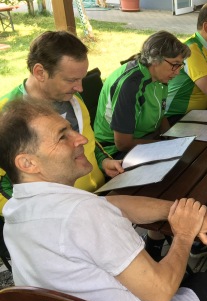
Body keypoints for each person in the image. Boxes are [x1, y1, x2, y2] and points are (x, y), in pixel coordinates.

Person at [0, 98, 207, 301]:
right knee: (206, 284)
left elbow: (112, 203)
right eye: (62, 136)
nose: (81, 139)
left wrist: (181, 212)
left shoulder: (16, 211)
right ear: (28, 163)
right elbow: (160, 292)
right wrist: (184, 233)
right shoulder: (82, 213)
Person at [0, 30, 123, 216]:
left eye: (81, 78)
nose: (80, 87)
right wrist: (43, 215)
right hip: (58, 217)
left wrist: (102, 161)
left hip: (97, 197)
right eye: (71, 80)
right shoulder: (6, 116)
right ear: (40, 72)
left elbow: (88, 140)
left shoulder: (73, 98)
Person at [94, 31, 190, 159]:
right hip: (113, 153)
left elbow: (161, 115)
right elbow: (123, 144)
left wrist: (170, 137)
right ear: (155, 59)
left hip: (146, 138)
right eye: (175, 64)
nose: (178, 72)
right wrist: (165, 145)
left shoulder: (160, 77)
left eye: (181, 65)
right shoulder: (130, 85)